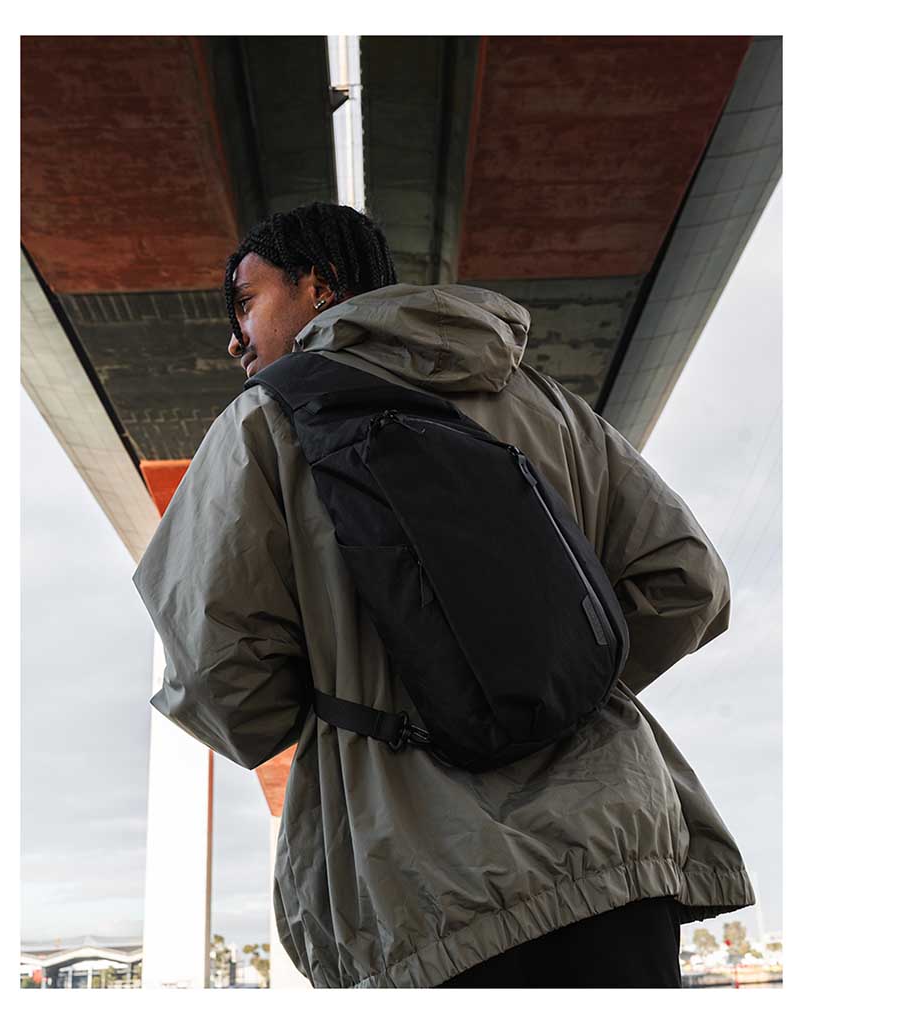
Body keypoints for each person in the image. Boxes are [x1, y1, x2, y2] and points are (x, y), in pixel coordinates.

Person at [131, 201, 754, 989]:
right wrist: (552, 677)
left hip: (423, 890)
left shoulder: (264, 422)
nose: (235, 339)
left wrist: (396, 699)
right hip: (615, 852)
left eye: (246, 304)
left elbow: (223, 680)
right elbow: (687, 579)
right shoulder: (550, 405)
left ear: (318, 287)